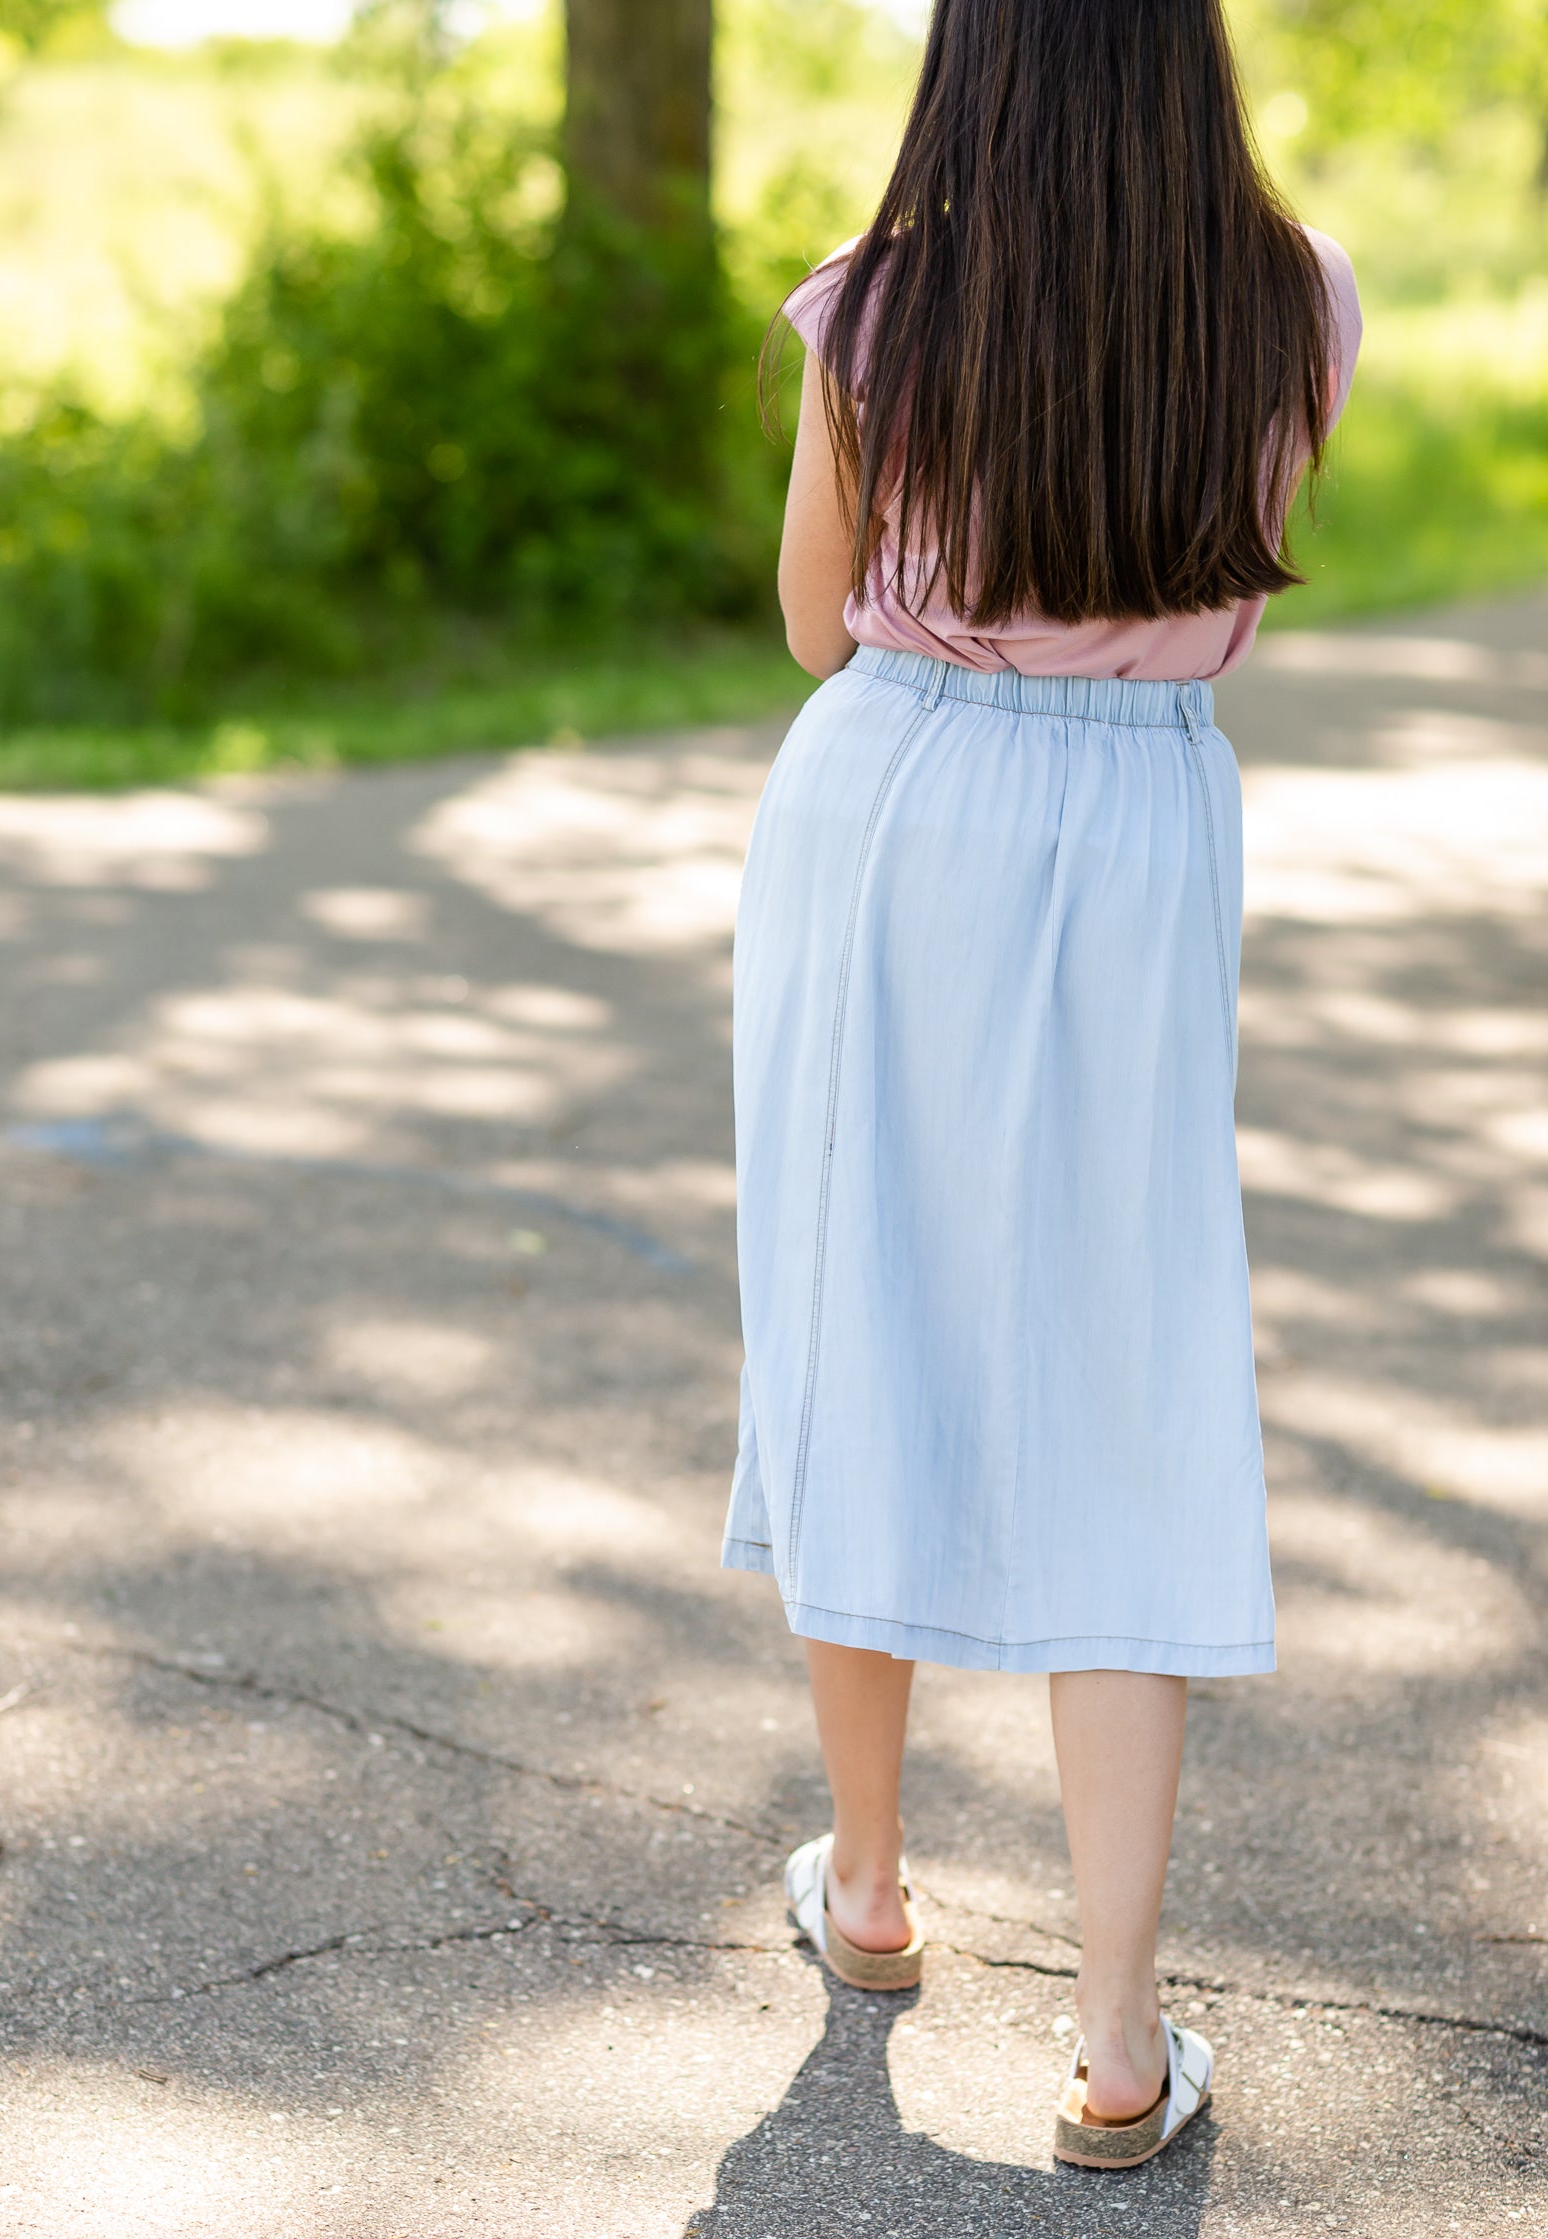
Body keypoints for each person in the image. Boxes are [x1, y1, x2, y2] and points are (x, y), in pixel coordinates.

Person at [721, 0, 1361, 2173]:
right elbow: (1201, 568)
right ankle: (1110, 2038)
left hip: (893, 803)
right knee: (1126, 1362)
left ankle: (874, 1890)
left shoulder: (873, 309)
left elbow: (818, 621)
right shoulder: (1292, 303)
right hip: (1142, 828)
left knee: (852, 1313)